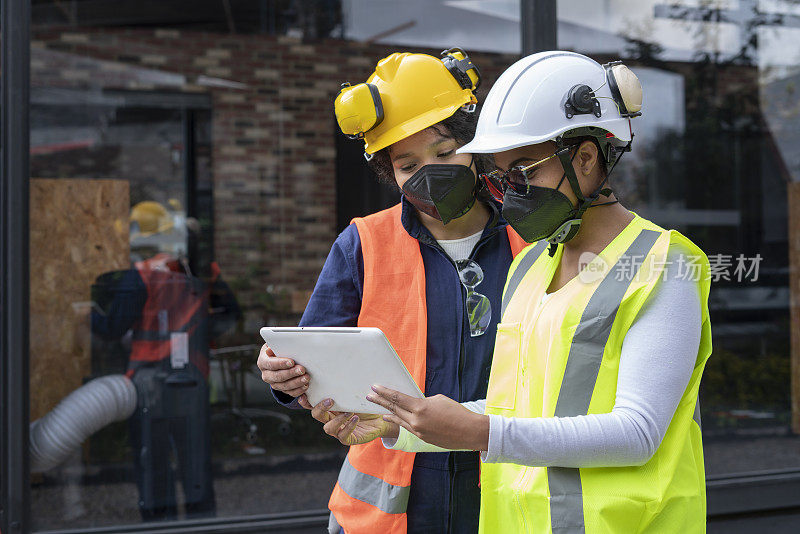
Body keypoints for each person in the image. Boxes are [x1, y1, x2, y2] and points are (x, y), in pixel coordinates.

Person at [319, 51, 713, 534]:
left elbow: (637, 433)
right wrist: (403, 425)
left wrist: (479, 431)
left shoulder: (665, 265)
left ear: (586, 158)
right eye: (501, 176)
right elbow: (517, 408)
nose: (508, 193)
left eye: (524, 171)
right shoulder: (530, 264)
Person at [257, 49, 528, 533]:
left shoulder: (531, 241)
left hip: (505, 499)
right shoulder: (362, 244)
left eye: (445, 153)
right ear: (390, 174)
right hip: (391, 512)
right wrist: (284, 374)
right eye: (408, 165)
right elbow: (312, 353)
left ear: (476, 146)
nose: (430, 171)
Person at [92, 200, 240, 521]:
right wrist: (202, 332)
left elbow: (112, 328)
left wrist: (84, 314)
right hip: (193, 378)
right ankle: (202, 521)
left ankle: (160, 524)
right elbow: (232, 314)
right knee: (195, 459)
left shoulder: (140, 276)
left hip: (148, 383)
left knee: (153, 461)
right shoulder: (200, 271)